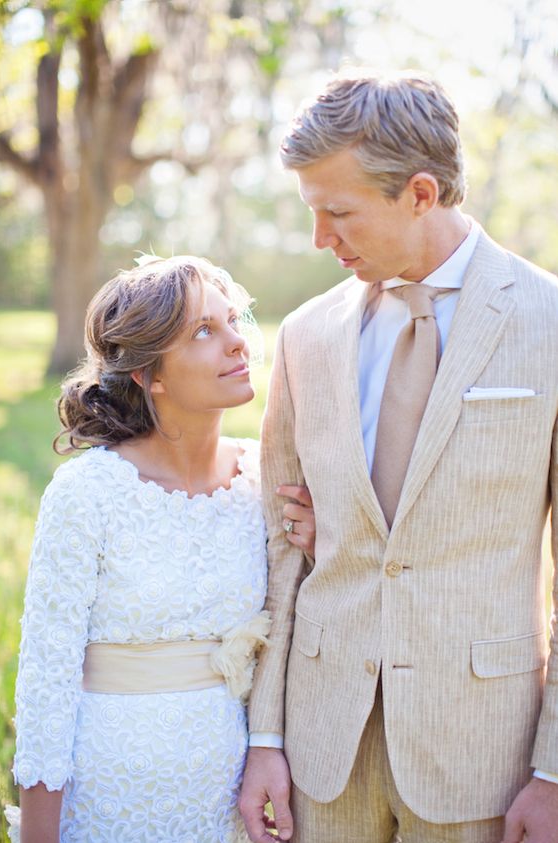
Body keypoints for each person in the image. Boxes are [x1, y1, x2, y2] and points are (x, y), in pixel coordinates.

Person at [239, 71, 558, 843]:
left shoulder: (549, 323)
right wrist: (266, 738)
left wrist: (554, 771)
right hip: (323, 751)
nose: (321, 239)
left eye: (337, 212)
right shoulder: (306, 335)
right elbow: (283, 548)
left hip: (484, 752)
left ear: (420, 192)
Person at [7, 255, 316, 843]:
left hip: (231, 798)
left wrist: (323, 545)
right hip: (112, 794)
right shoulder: (87, 493)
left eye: (233, 320)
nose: (238, 343)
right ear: (151, 375)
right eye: (204, 331)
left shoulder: (267, 481)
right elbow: (47, 682)